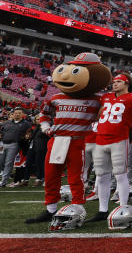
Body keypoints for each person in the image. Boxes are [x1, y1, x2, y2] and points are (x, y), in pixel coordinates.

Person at [26, 53, 111, 225]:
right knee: (51, 175)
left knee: (76, 176)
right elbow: (44, 114)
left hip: (77, 140)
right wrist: (45, 128)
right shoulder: (55, 97)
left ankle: (78, 206)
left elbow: (106, 109)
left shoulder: (96, 100)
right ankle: (50, 209)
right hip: (57, 139)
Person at [89, 74, 132, 221]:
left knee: (120, 174)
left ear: (127, 84)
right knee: (101, 176)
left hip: (119, 140)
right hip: (100, 139)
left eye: (119, 81)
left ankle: (123, 207)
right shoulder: (106, 97)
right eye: (114, 82)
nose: (115, 84)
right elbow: (99, 115)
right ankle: (102, 210)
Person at [1, 108, 31, 187]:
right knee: (1, 162)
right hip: (3, 144)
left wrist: (25, 138)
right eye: (15, 113)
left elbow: (28, 133)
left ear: (23, 115)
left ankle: (3, 181)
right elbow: (2, 132)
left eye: (19, 113)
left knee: (8, 163)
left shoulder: (26, 124)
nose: (17, 114)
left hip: (14, 144)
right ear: (13, 114)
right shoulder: (7, 123)